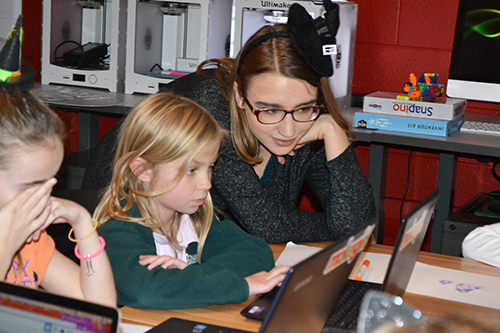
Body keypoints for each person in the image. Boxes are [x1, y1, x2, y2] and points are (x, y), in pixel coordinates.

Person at [162, 0, 376, 243]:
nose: (288, 131)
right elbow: (267, 226)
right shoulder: (210, 111)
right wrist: (335, 229)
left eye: (303, 107)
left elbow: (357, 224)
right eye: (271, 111)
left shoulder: (310, 122)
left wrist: (333, 130)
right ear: (239, 96)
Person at [93, 92, 289, 309]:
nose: (206, 183)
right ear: (143, 170)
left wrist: (192, 275)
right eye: (191, 170)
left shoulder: (195, 219)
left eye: (210, 168)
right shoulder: (119, 231)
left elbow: (257, 254)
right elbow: (147, 291)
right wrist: (238, 286)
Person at [0, 15, 116, 307]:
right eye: (32, 185)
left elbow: (99, 309)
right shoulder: (15, 236)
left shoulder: (30, 241)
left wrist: (82, 222)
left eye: (51, 184)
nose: (44, 197)